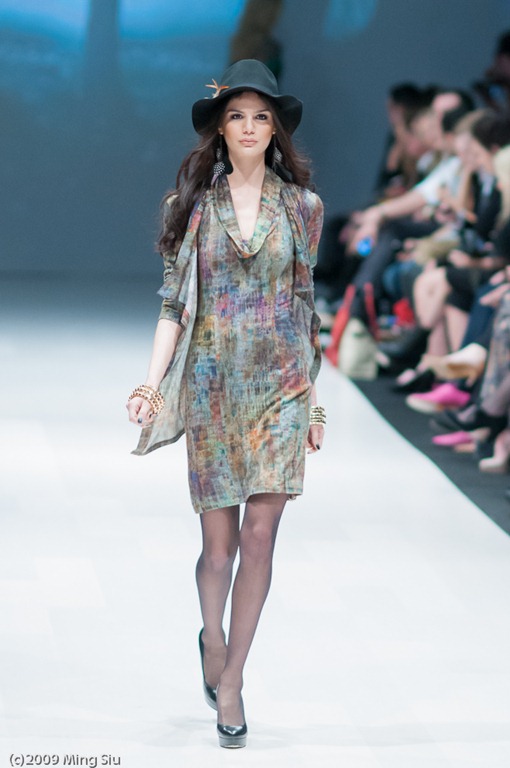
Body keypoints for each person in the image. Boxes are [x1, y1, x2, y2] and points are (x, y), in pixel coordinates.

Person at [125, 59, 325, 749]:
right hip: (211, 386)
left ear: (275, 130)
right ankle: (212, 637)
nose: (248, 127)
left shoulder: (302, 208)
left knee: (261, 538)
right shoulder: (190, 206)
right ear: (219, 127)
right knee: (219, 550)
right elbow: (173, 305)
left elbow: (304, 307)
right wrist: (152, 384)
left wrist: (314, 404)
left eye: (260, 117)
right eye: (236, 116)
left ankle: (234, 679)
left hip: (281, 388)